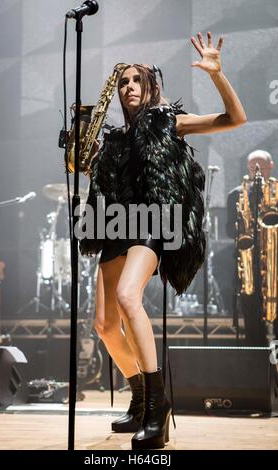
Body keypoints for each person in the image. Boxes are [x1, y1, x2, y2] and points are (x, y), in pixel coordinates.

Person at [79, 32, 246, 450]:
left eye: (137, 80)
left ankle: (159, 408)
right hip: (117, 223)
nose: (129, 86)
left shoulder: (169, 120)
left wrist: (217, 74)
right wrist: (89, 159)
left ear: (151, 87)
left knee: (128, 297)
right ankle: (139, 398)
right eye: (123, 82)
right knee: (103, 324)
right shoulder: (114, 141)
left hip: (155, 220)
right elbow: (102, 183)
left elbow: (235, 118)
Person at [226, 150, 275, 346]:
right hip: (248, 265)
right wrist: (244, 229)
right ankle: (257, 365)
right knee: (251, 319)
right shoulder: (236, 195)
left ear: (270, 166)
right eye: (253, 167)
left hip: (274, 264)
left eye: (261, 167)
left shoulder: (276, 191)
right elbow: (230, 230)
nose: (257, 171)